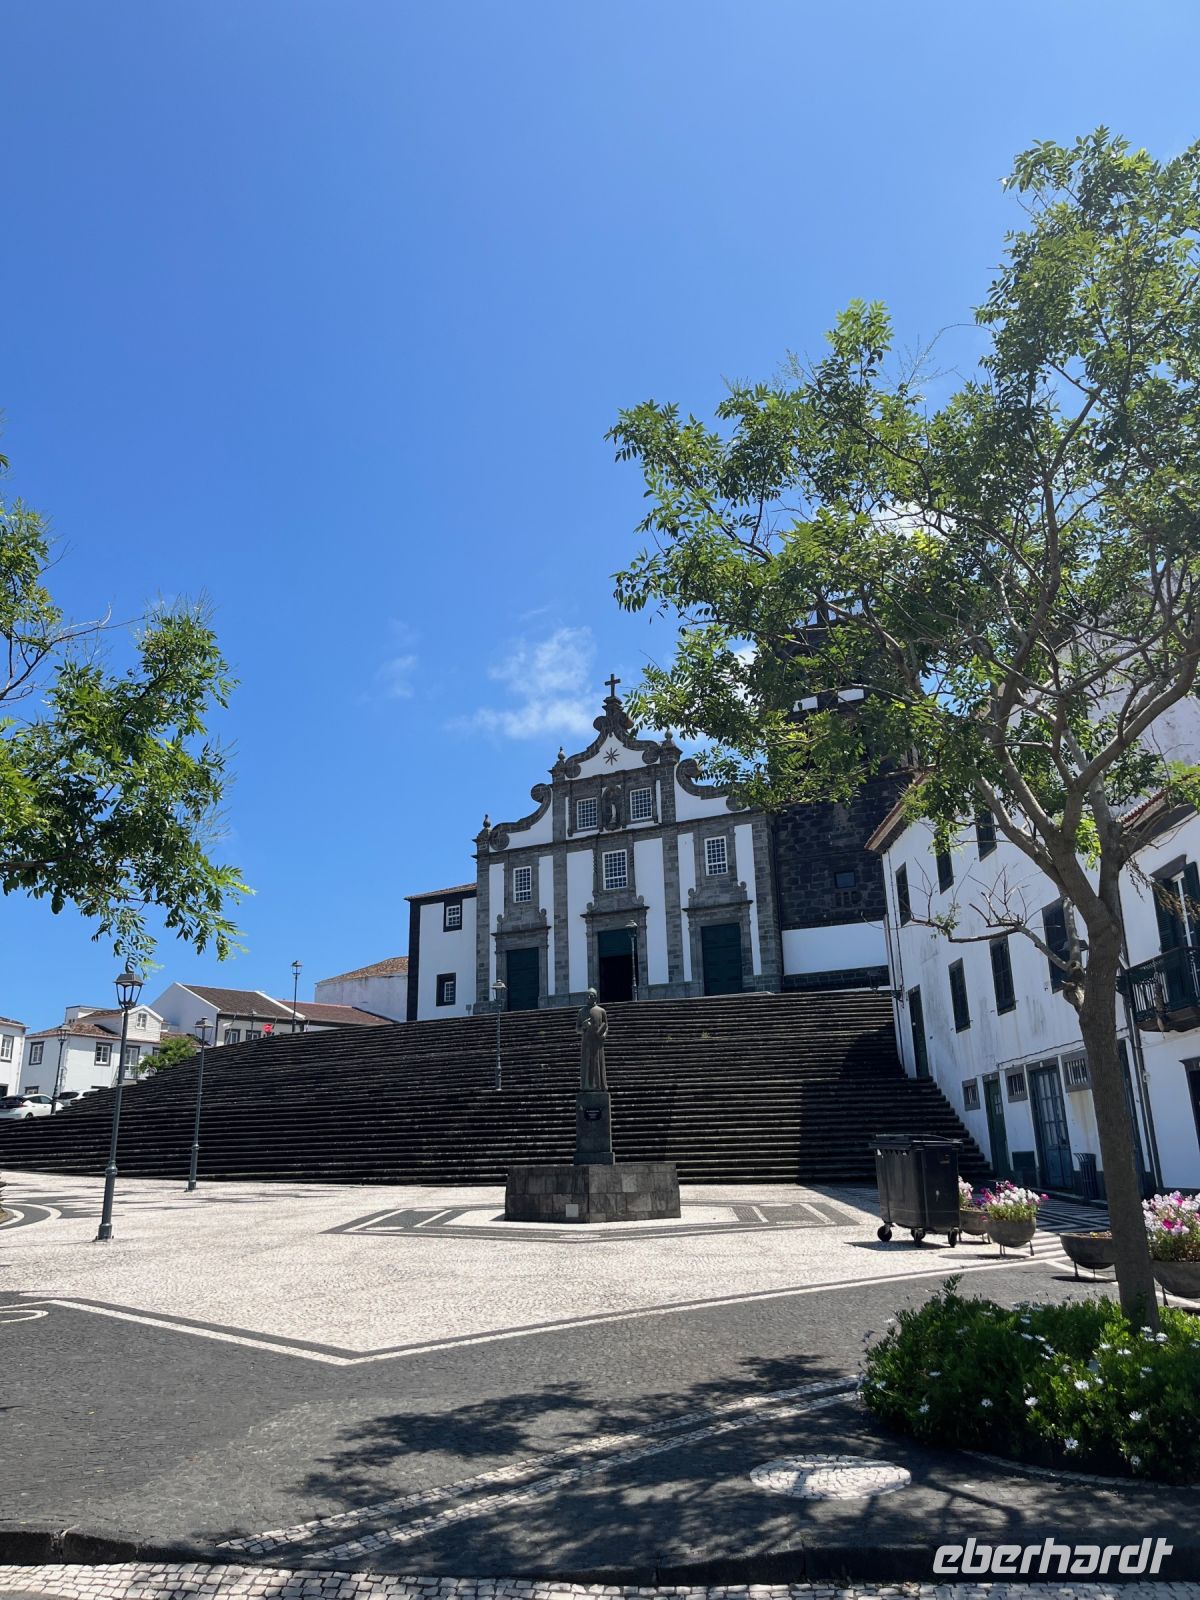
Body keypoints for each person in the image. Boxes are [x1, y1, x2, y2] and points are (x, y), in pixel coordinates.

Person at [575, 988, 609, 1090]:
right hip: (586, 1042)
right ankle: (586, 1086)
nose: (588, 997)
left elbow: (606, 1025)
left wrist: (604, 1035)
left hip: (597, 1041)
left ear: (595, 997)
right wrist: (583, 1027)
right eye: (587, 995)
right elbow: (577, 1029)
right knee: (587, 1063)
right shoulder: (581, 1011)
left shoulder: (601, 1011)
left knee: (598, 1063)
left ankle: (600, 1086)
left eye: (591, 995)